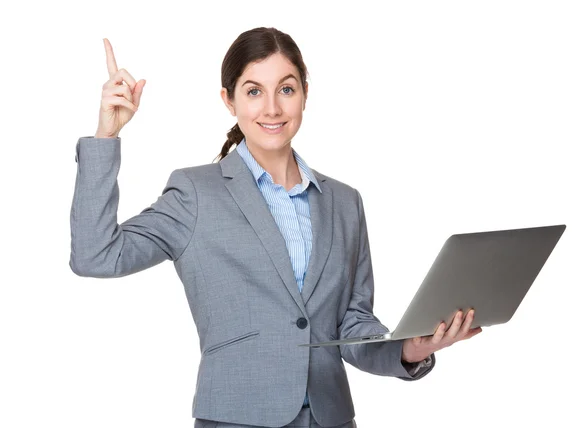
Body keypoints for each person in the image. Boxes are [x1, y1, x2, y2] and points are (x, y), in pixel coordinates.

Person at [70, 27, 482, 428]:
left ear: (304, 93)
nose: (271, 108)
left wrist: (410, 348)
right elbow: (97, 255)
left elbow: (352, 326)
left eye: (286, 89)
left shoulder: (344, 202)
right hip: (236, 418)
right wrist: (106, 135)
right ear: (228, 101)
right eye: (253, 91)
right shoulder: (195, 192)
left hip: (331, 418)